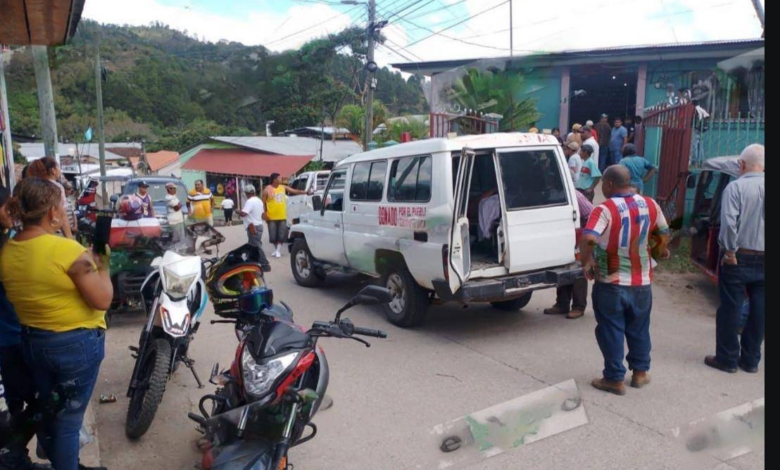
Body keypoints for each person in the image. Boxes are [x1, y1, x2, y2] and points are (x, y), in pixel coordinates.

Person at [0, 178, 113, 470]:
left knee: (51, 411)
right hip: (74, 347)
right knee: (68, 422)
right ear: (52, 212)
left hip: (33, 344)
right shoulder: (66, 251)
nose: (64, 211)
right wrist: (102, 263)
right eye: (61, 206)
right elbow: (102, 299)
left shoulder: (9, 252)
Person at [580, 166, 670, 395]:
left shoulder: (605, 209)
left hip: (611, 281)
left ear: (609, 184)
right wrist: (660, 250)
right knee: (639, 327)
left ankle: (614, 378)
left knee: (611, 328)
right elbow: (663, 232)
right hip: (642, 281)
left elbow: (589, 236)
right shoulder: (650, 204)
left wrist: (587, 261)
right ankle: (640, 373)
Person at [0, 186, 52, 470]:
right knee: (33, 402)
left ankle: (15, 455)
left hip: (13, 335)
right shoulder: (8, 247)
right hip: (11, 338)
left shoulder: (9, 242)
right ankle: (13, 456)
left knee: (24, 402)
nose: (12, 211)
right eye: (7, 206)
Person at [704, 144, 764, 374]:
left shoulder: (736, 188)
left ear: (741, 164)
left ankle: (727, 359)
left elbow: (729, 223)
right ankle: (750, 360)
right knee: (760, 309)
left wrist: (729, 251)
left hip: (739, 257)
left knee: (731, 307)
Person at [544, 189, 593, 319]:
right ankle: (562, 304)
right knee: (563, 269)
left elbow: (590, 214)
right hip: (562, 237)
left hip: (577, 237)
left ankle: (578, 306)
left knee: (578, 271)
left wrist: (584, 236)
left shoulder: (574, 194)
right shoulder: (551, 192)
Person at [262, 173, 308, 258]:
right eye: (279, 178)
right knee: (273, 236)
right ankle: (276, 250)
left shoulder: (283, 187)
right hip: (271, 217)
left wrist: (306, 192)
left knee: (281, 234)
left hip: (282, 216)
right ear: (274, 179)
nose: (281, 179)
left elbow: (295, 191)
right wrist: (265, 214)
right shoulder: (267, 190)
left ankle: (278, 251)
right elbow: (263, 203)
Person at [25, 157, 73, 239]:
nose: (60, 171)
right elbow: (63, 215)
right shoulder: (56, 187)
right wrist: (70, 237)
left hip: (33, 234)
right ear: (53, 170)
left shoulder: (31, 186)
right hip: (55, 232)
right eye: (58, 167)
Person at [239, 185, 272, 272]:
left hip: (253, 227)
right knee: (251, 245)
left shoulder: (250, 201)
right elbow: (262, 214)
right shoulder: (259, 201)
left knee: (257, 246)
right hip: (259, 225)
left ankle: (265, 265)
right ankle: (251, 262)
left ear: (246, 193)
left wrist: (237, 211)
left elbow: (244, 214)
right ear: (254, 192)